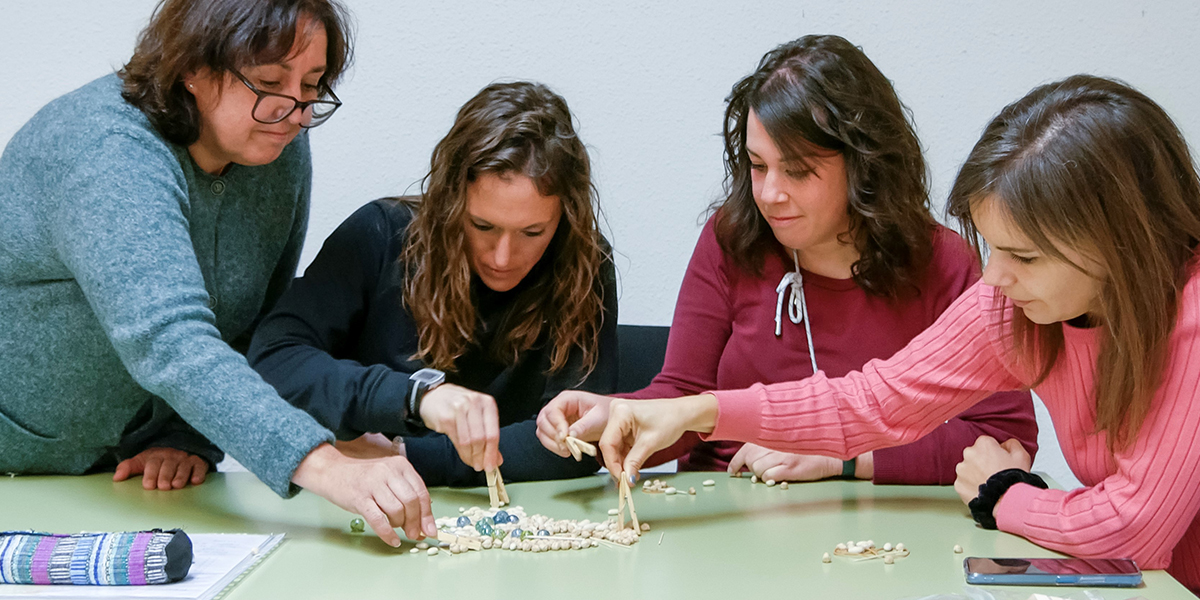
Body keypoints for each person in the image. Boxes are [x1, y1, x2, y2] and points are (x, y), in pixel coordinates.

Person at [595, 75, 1200, 591]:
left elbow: (1133, 529)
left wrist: (1004, 494)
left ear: (1124, 244)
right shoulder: (1013, 305)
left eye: (1026, 256)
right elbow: (873, 400)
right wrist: (697, 411)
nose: (993, 275)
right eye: (994, 247)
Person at [0, 0, 435, 547]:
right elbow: (171, 341)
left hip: (123, 479)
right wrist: (323, 462)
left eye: (311, 85)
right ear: (192, 68)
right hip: (16, 462)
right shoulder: (106, 150)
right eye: (270, 82)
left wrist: (185, 434)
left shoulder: (275, 146)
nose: (296, 111)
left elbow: (251, 322)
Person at [537, 34, 1035, 485]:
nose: (770, 194)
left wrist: (844, 460)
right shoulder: (731, 238)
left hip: (873, 522)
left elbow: (1004, 442)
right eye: (757, 166)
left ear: (864, 165)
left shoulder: (944, 261)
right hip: (728, 503)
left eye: (797, 170)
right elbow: (684, 395)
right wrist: (615, 414)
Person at [247, 81, 617, 487]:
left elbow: (580, 442)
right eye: (482, 226)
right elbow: (272, 360)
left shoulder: (584, 260)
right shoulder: (379, 234)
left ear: (566, 216)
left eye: (533, 232)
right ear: (449, 200)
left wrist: (408, 455)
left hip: (518, 519)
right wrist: (414, 398)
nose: (502, 257)